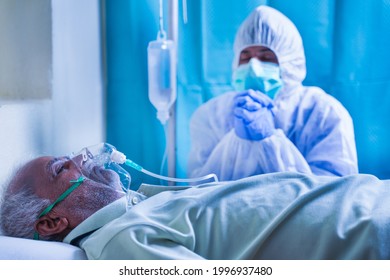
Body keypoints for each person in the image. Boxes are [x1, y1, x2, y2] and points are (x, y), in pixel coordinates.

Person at [1, 153, 390, 260]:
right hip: (368, 230)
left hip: (372, 198)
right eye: (61, 168)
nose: (80, 158)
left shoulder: (140, 209)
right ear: (52, 221)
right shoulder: (119, 241)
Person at [188, 5, 358, 181]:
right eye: (245, 57)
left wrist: (269, 139)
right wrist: (237, 139)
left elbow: (334, 193)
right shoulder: (211, 116)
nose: (253, 67)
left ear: (290, 61)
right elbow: (199, 190)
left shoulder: (324, 113)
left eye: (266, 57)